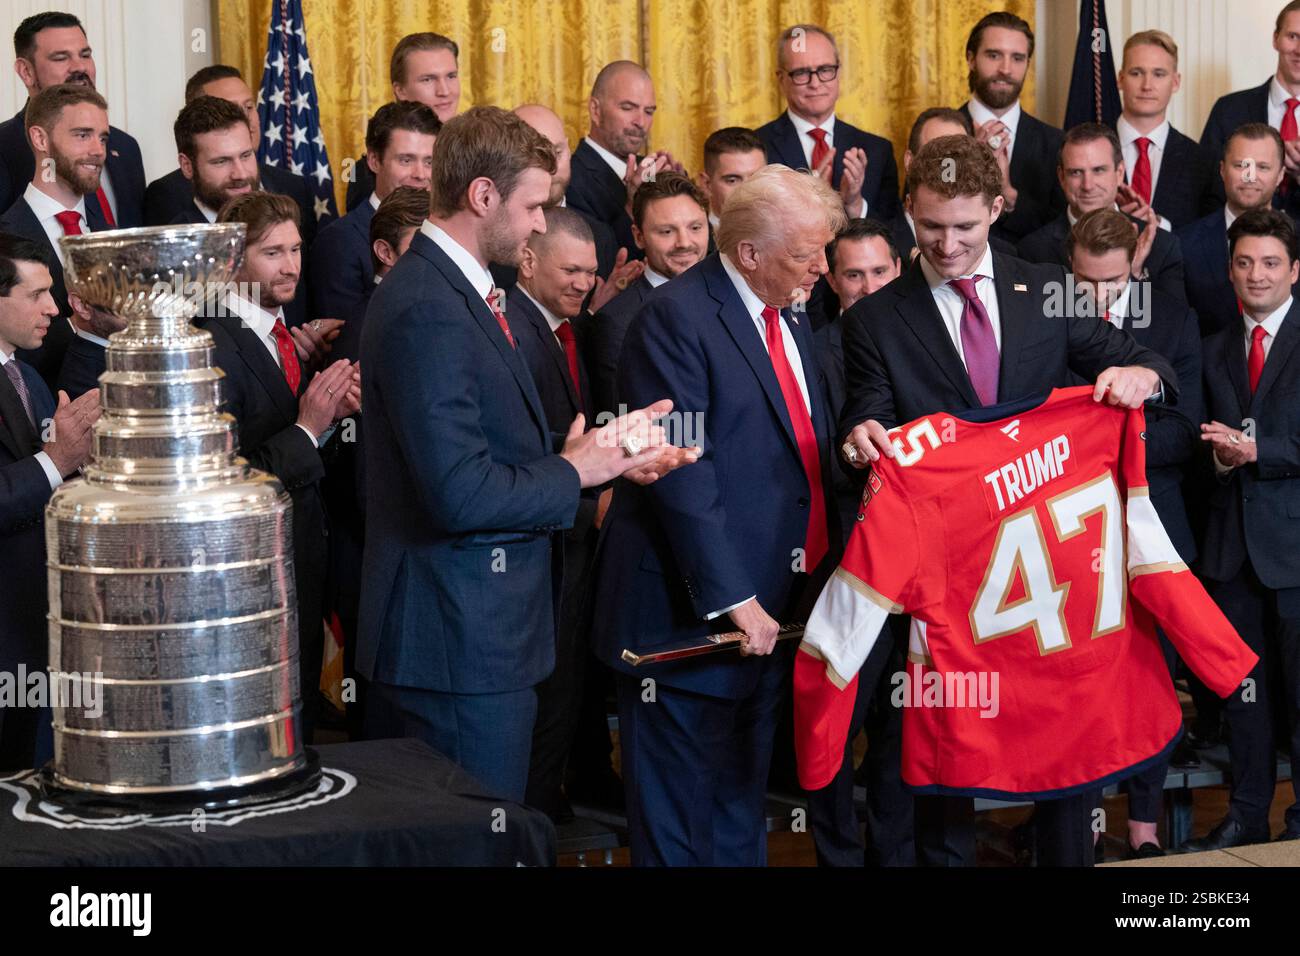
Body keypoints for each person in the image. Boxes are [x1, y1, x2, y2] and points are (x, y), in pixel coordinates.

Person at [838, 134, 1178, 866]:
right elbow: (864, 415)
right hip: (944, 583)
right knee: (938, 770)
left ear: (997, 208)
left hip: (1046, 578)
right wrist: (859, 436)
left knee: (1065, 764)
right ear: (908, 212)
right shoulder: (874, 318)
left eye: (965, 225)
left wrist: (1143, 380)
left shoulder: (1046, 285)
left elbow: (1140, 358)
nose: (949, 243)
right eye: (931, 227)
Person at [356, 106, 689, 801]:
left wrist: (603, 454)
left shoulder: (461, 292)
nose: (542, 223)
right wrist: (576, 470)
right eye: (535, 205)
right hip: (453, 646)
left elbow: (487, 446)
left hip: (482, 639)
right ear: (483, 196)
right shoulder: (429, 306)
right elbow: (459, 492)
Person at [588, 165, 844, 865]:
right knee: (678, 830)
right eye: (805, 254)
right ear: (751, 253)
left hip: (772, 615)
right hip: (687, 621)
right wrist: (738, 600)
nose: (822, 268)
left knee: (738, 810)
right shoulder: (675, 319)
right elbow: (682, 476)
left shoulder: (788, 310)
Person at [1068, 207, 1204, 859]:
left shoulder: (1172, 322)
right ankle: (1086, 821)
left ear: (1136, 269)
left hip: (1156, 522)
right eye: (1084, 282)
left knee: (1153, 675)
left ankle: (1146, 826)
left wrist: (1116, 439)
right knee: (1084, 677)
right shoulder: (1050, 319)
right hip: (1073, 529)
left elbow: (1188, 429)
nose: (1097, 297)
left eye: (1112, 284)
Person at [202, 192, 360, 745]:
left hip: (303, 566)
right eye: (272, 252)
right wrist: (307, 427)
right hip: (251, 578)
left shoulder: (280, 333)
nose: (291, 265)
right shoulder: (212, 341)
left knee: (299, 730)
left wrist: (332, 419)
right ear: (230, 260)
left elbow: (308, 456)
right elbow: (223, 480)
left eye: (295, 249)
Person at [1190, 207, 1300, 849]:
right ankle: (1247, 814)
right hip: (1231, 554)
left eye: (1269, 262)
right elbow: (1201, 442)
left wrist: (1260, 452)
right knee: (1245, 698)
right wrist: (1222, 456)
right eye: (1243, 262)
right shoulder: (1211, 348)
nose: (1255, 274)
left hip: (1293, 552)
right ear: (1229, 269)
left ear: (1294, 270)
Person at [806, 216, 910, 867]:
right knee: (834, 730)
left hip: (918, 579)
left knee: (904, 731)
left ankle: (895, 858)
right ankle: (837, 858)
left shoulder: (931, 345)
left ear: (899, 271)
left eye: (879, 271)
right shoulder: (812, 351)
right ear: (831, 279)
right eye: (853, 274)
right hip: (840, 569)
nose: (868, 286)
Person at [504, 207, 604, 821]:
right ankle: (531, 817)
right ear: (528, 260)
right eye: (571, 270)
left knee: (564, 690)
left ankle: (543, 807)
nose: (583, 284)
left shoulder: (568, 328)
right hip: (535, 545)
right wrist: (590, 500)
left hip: (564, 542)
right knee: (545, 694)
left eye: (591, 273)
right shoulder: (511, 328)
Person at [325, 185, 428, 742]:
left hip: (397, 546)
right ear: (385, 253)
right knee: (383, 709)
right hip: (376, 548)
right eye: (420, 243)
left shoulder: (413, 309)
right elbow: (364, 468)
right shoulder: (374, 326)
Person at [0, 233, 98, 771]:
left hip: (37, 626)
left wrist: (80, 463)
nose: (53, 308)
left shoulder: (31, 378)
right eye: (36, 294)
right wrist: (55, 461)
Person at [0, 84, 114, 390]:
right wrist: (79, 325)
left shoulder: (114, 237)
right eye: (82, 135)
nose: (97, 150)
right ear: (40, 139)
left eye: (102, 137)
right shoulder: (4, 238)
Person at [0, 11, 144, 227]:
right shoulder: (4, 146)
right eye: (61, 57)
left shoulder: (126, 147)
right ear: (26, 71)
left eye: (85, 55)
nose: (80, 67)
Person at [1018, 123, 1185, 304]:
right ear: (1061, 177)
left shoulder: (1162, 246)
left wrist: (1132, 276)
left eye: (1098, 170)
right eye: (1076, 173)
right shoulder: (1032, 251)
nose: (1088, 185)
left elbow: (1172, 326)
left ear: (1119, 173)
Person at [587, 172, 710, 418]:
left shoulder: (732, 297)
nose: (684, 242)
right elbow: (625, 422)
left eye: (695, 227)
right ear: (638, 236)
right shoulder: (616, 322)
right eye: (666, 232)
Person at [310, 101, 438, 324]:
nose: (420, 174)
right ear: (374, 161)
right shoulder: (339, 241)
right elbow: (344, 336)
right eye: (406, 160)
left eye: (429, 161)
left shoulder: (446, 229)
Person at [756, 25, 899, 222]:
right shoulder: (756, 148)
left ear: (838, 73)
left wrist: (854, 204)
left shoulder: (877, 150)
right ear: (781, 79)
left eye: (825, 70)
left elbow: (893, 237)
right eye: (801, 73)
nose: (815, 83)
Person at [959, 11, 1065, 243]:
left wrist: (1009, 195)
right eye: (994, 55)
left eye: (1017, 58)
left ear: (1028, 64)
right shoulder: (938, 132)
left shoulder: (1056, 143)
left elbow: (1062, 230)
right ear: (971, 58)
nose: (1005, 69)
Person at [1179, 124, 1292, 337]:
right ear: (1222, 170)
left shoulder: (1296, 239)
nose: (1250, 176)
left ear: (1280, 175)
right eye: (1241, 165)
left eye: (1263, 167)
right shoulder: (1183, 244)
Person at [566, 61, 682, 258]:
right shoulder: (570, 178)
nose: (641, 122)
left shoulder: (654, 171)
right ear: (595, 110)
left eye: (649, 111)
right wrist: (633, 206)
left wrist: (680, 195)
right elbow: (594, 263)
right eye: (628, 108)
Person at [1200, 0, 1300, 212]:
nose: (1299, 50)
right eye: (1293, 37)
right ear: (1276, 39)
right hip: (1240, 238)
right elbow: (1206, 188)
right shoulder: (1228, 109)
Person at [1115, 30, 1221, 230]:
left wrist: (1160, 225)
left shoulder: (1203, 162)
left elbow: (1207, 235)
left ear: (1175, 82)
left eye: (1158, 74)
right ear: (1120, 79)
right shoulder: (1089, 150)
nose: (1147, 85)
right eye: (1136, 73)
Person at [345, 32, 461, 212]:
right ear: (400, 90)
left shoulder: (472, 154)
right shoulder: (365, 174)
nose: (444, 91)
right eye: (428, 79)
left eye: (451, 76)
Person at [166, 96, 262, 224]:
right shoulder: (180, 242)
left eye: (246, 155)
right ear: (187, 166)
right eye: (221, 161)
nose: (241, 174)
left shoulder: (282, 226)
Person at [697, 126, 766, 245]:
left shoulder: (787, 233)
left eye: (756, 178)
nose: (747, 191)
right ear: (706, 184)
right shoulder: (691, 241)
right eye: (733, 180)